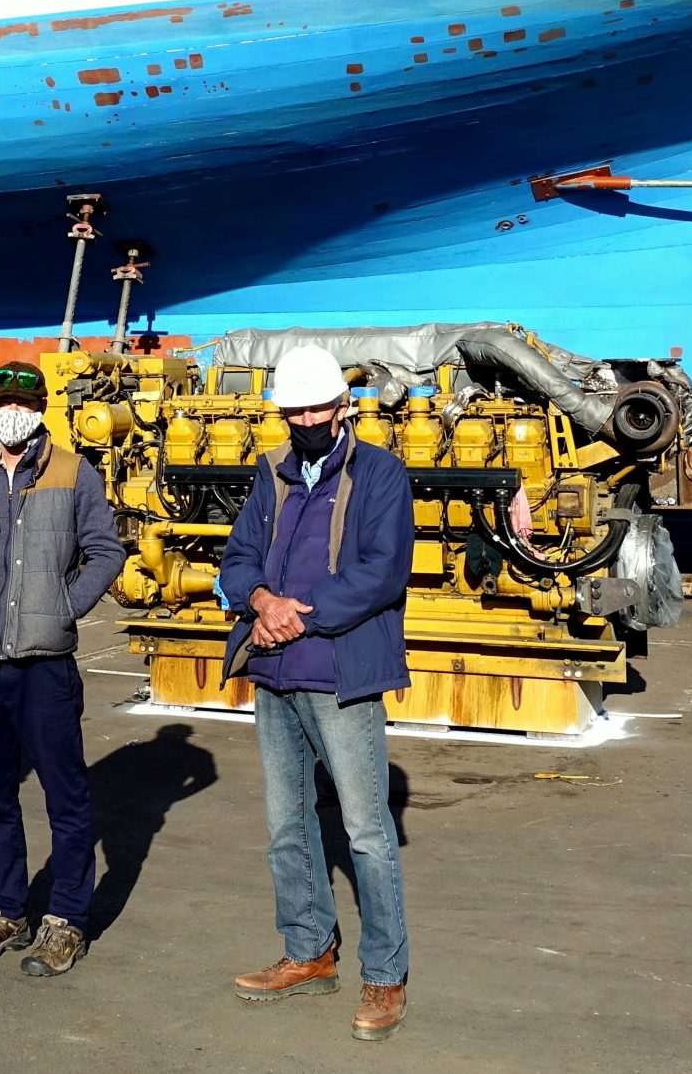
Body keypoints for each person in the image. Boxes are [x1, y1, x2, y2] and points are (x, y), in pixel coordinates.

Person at [217, 343, 416, 1041]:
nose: (304, 418)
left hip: (340, 674)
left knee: (365, 830)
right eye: (292, 408)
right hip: (273, 672)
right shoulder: (269, 474)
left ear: (343, 407)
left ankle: (386, 974)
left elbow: (381, 573)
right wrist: (261, 599)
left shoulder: (381, 474)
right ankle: (308, 951)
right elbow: (237, 556)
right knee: (286, 826)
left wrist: (294, 614)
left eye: (316, 406)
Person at [0, 359, 124, 978]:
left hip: (45, 666)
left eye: (24, 401)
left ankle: (66, 919)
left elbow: (106, 550)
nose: (12, 411)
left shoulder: (72, 471)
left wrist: (63, 606)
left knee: (65, 796)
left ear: (41, 407)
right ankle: (5, 908)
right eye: (2, 401)